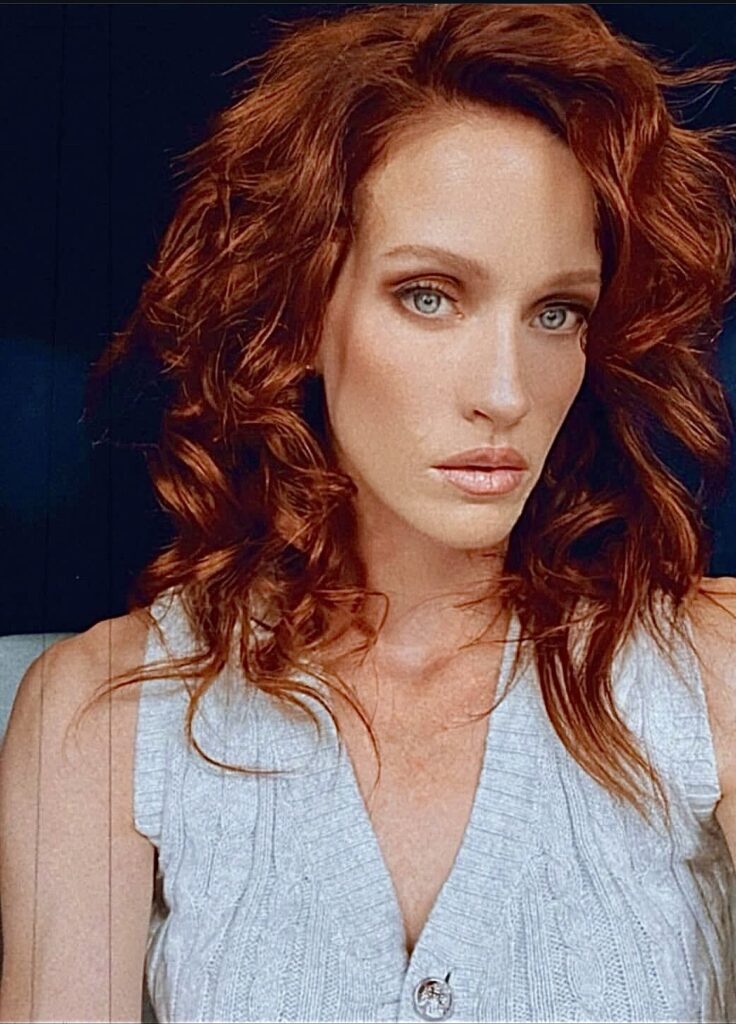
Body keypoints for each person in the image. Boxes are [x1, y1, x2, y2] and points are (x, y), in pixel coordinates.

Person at [2, 3, 736, 1022]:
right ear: (299, 310)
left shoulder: (708, 673)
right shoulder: (107, 716)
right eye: (430, 295)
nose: (506, 392)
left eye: (555, 310)